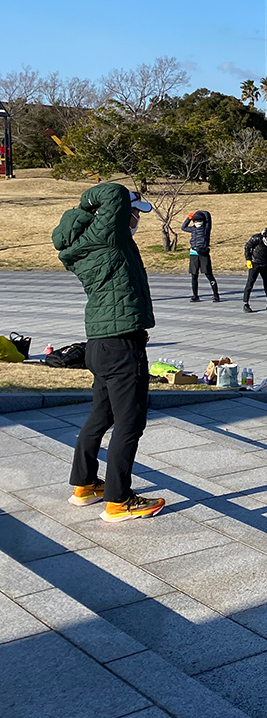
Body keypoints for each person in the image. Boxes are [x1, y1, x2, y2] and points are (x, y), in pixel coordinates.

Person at [52, 183, 165, 522]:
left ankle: (84, 485)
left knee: (100, 416)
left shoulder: (84, 246)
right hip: (121, 343)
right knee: (130, 421)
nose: (135, 219)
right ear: (113, 216)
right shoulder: (108, 238)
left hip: (101, 345)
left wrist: (87, 213)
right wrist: (90, 204)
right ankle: (119, 500)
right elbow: (114, 193)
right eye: (133, 212)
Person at [181, 209, 219, 303]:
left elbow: (208, 219)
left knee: (208, 274)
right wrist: (189, 218)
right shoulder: (192, 229)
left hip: (203, 253)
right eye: (195, 220)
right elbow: (183, 227)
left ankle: (216, 295)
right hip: (193, 253)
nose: (197, 222)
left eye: (199, 220)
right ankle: (195, 296)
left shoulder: (206, 229)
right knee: (194, 275)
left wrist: (202, 212)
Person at [242, 227, 267, 312]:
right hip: (255, 263)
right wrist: (248, 259)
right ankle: (246, 304)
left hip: (266, 263)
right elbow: (247, 247)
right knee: (250, 283)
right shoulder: (257, 238)